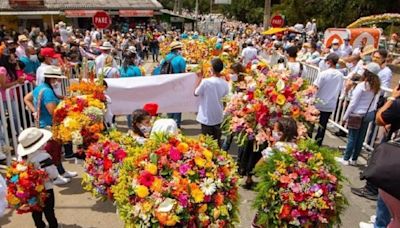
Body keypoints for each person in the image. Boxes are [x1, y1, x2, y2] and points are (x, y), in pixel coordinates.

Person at [24, 66, 77, 185]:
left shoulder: (40, 88)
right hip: (50, 125)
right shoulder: (47, 91)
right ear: (51, 78)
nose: (58, 81)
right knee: (53, 152)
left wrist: (34, 112)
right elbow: (53, 112)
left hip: (45, 124)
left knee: (56, 151)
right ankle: (55, 177)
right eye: (56, 79)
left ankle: (61, 172)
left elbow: (26, 99)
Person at [358, 86, 400, 228]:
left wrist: (392, 98)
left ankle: (380, 224)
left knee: (387, 194)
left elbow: (379, 119)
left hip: (394, 157)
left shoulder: (398, 104)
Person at [336, 63, 381, 166]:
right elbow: (375, 102)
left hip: (357, 113)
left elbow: (353, 103)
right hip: (369, 114)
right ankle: (354, 159)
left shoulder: (362, 86)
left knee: (352, 137)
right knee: (360, 138)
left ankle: (346, 158)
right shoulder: (377, 86)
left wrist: (345, 116)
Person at [18, 127, 59, 228]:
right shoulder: (43, 157)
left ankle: (40, 225)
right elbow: (53, 174)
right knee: (49, 210)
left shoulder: (22, 157)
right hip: (46, 189)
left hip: (31, 190)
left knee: (36, 210)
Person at [194, 58, 229, 146]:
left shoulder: (206, 82)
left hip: (206, 116)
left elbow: (196, 93)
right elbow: (225, 99)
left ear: (212, 69)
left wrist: (199, 78)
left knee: (206, 144)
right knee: (217, 142)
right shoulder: (225, 83)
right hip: (218, 115)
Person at [313, 53, 344, 146]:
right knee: (323, 124)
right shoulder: (340, 75)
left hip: (318, 102)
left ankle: (309, 139)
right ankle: (318, 142)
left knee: (311, 122)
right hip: (330, 103)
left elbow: (315, 87)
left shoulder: (323, 74)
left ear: (329, 62)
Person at [162, 41, 186, 128]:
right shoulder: (180, 59)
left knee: (169, 104)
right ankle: (176, 125)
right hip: (177, 85)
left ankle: (169, 122)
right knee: (178, 106)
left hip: (167, 85)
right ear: (178, 50)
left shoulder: (165, 58)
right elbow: (183, 73)